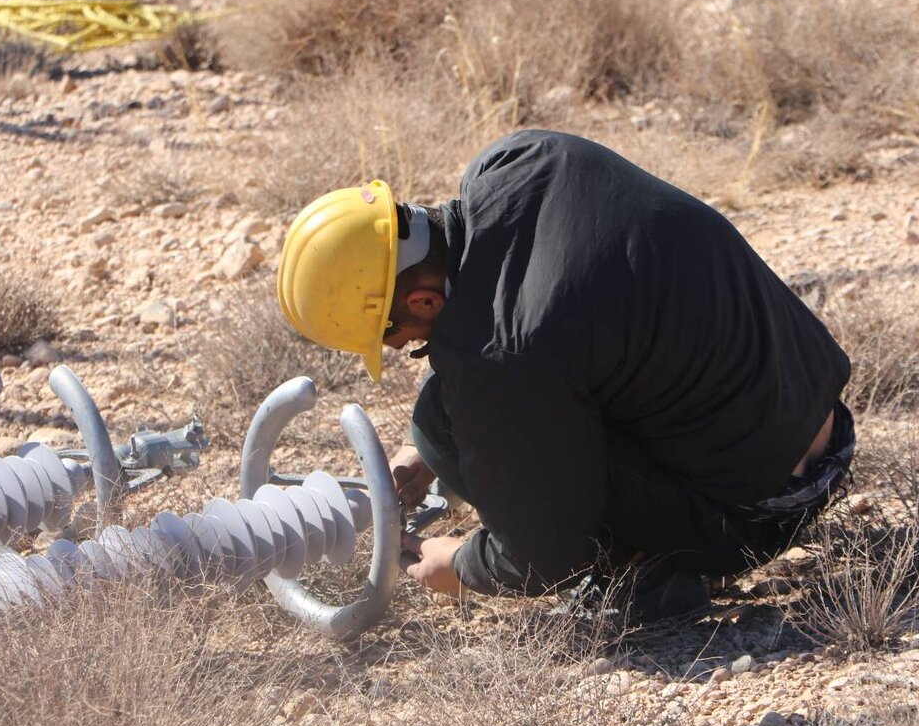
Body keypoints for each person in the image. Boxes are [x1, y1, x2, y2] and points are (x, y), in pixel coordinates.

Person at [278, 130, 854, 622]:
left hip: (759, 510)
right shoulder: (522, 159)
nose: (402, 344)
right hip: (818, 416)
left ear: (424, 302)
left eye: (389, 335)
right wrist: (420, 451)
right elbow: (511, 328)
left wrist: (455, 563)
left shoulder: (504, 356)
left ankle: (645, 574)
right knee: (446, 415)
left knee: (465, 421)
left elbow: (540, 559)